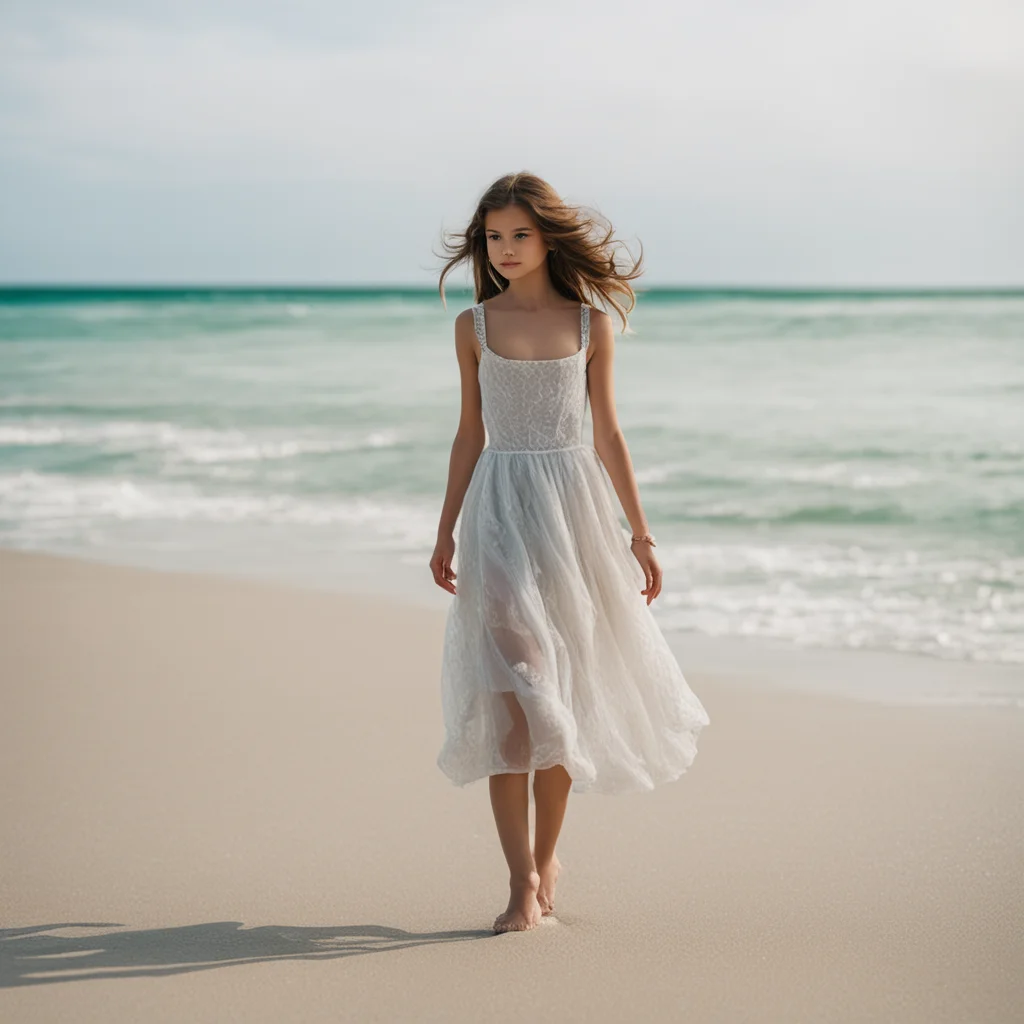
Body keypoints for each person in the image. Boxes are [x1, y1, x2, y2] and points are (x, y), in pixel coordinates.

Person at [429, 171, 710, 934]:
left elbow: (610, 436)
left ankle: (547, 859)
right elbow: (469, 434)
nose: (506, 248)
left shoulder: (590, 325)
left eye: (519, 234)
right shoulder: (474, 327)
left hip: (571, 515)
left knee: (557, 699)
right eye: (494, 236)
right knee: (511, 701)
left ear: (548, 236)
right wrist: (446, 526)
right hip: (497, 513)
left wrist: (640, 534)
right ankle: (520, 881)